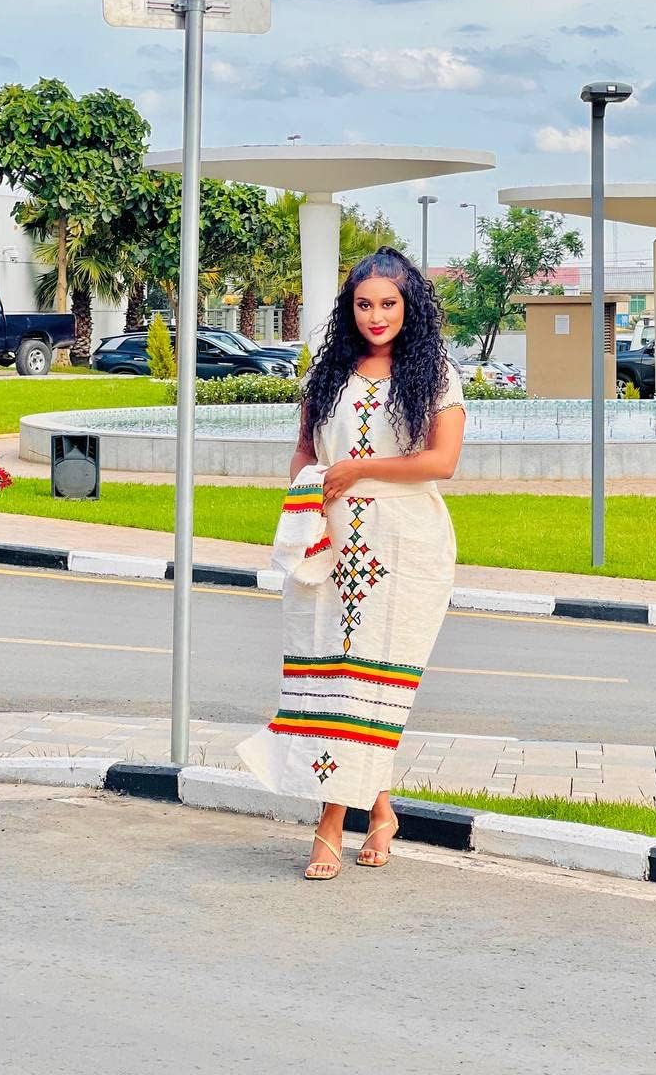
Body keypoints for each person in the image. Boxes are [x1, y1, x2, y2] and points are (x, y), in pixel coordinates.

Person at [237, 247, 466, 880]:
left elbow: (441, 462)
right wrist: (307, 507)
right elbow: (304, 452)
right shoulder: (328, 372)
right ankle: (382, 812)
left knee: (366, 689)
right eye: (364, 304)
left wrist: (360, 468)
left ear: (408, 305)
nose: (375, 316)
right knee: (333, 688)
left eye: (388, 304)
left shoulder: (437, 373)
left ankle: (330, 824)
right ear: (350, 308)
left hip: (403, 550)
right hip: (330, 548)